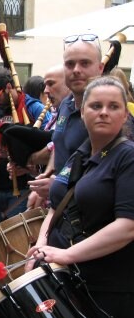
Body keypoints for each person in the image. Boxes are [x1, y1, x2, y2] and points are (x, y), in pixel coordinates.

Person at [25, 76, 134, 318]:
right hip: (69, 278)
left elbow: (128, 227)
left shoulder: (129, 157)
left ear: (124, 115)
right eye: (96, 105)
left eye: (113, 106)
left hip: (108, 284)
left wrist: (64, 255)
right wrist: (42, 245)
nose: (103, 112)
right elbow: (56, 205)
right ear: (82, 111)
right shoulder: (81, 153)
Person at [27, 36, 105, 206]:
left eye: (85, 63)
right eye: (70, 64)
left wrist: (58, 185)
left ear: (100, 68)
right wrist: (49, 176)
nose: (76, 70)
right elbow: (60, 144)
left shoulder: (108, 116)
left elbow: (109, 171)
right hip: (62, 211)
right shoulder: (65, 105)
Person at [0, 67, 51, 226]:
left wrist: (27, 163)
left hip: (24, 189)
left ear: (9, 87)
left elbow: (52, 144)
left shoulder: (34, 108)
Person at [27, 65, 71, 209]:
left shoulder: (79, 115)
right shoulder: (57, 115)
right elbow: (57, 146)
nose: (46, 91)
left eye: (51, 84)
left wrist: (27, 158)